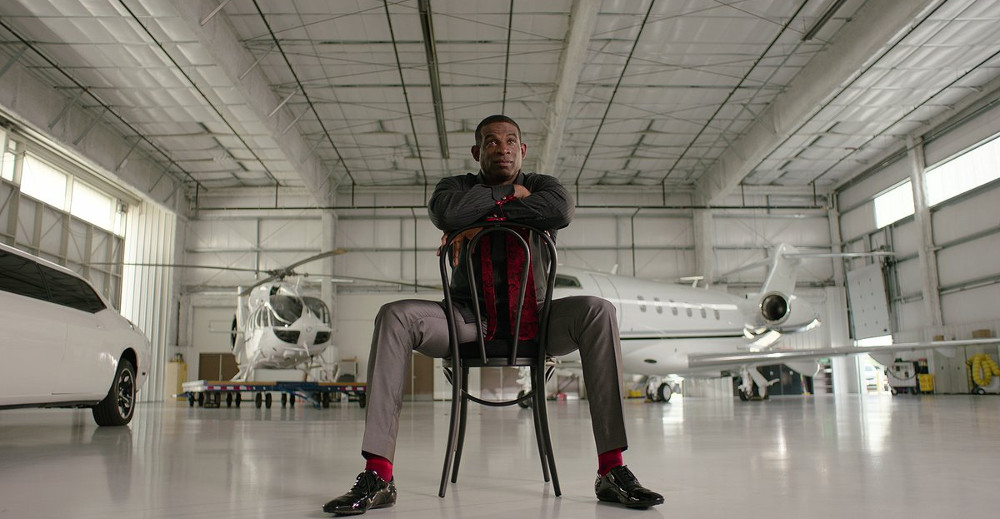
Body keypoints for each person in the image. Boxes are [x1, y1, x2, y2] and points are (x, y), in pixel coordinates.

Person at [323, 115, 664, 515]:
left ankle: (611, 471)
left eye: (510, 141)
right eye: (491, 142)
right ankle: (379, 475)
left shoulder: (545, 187)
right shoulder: (454, 187)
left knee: (599, 311)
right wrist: (507, 197)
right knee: (394, 316)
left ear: (523, 149)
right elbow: (446, 213)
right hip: (467, 319)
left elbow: (560, 210)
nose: (502, 148)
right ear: (477, 151)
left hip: (537, 318)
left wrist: (477, 221)